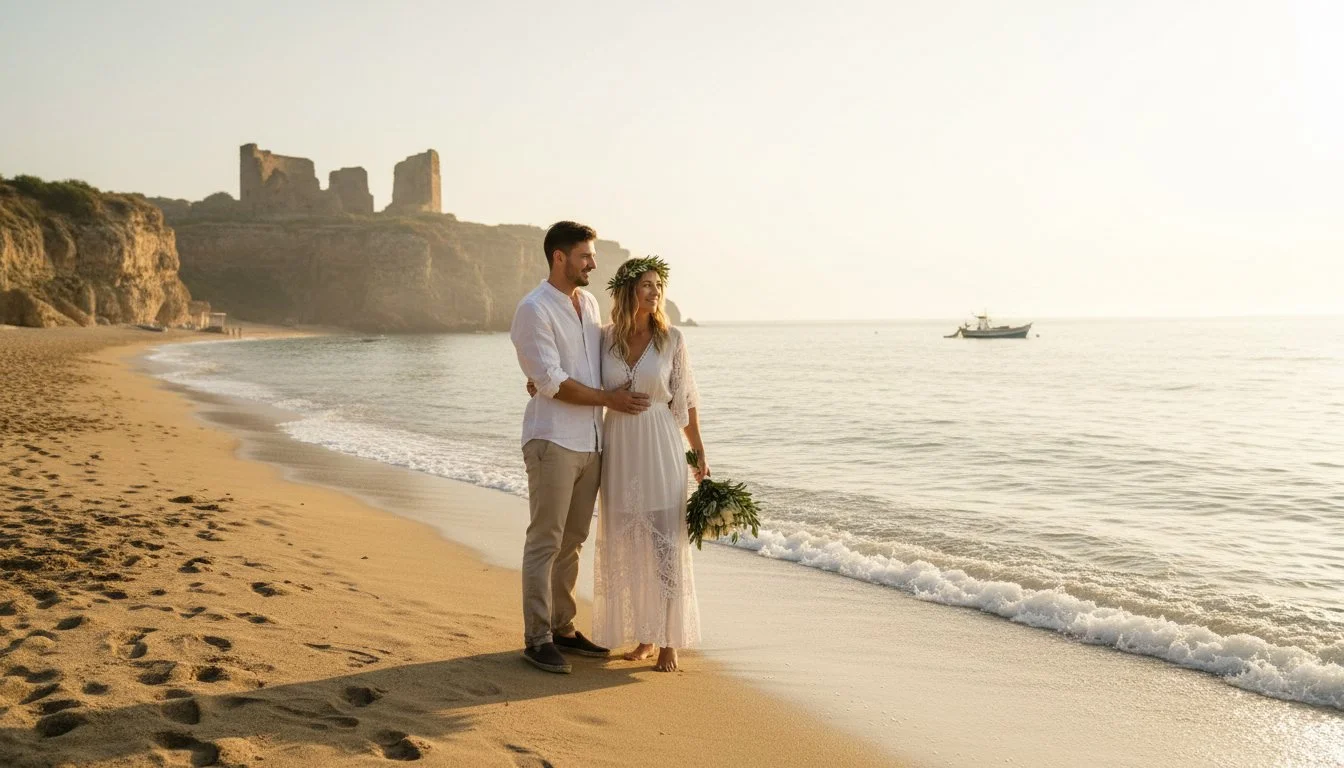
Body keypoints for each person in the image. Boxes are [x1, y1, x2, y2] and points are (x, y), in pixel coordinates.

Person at [509, 221, 650, 674]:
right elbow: (550, 380)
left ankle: (564, 627)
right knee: (545, 540)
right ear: (559, 257)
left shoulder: (588, 303)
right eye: (586, 255)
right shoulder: (533, 310)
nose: (593, 263)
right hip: (552, 440)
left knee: (573, 540)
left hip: (592, 441)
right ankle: (537, 638)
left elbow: (600, 357)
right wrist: (607, 399)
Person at [592, 257, 707, 672]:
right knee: (628, 540)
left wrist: (698, 452)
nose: (654, 291)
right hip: (620, 444)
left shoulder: (672, 338)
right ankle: (644, 634)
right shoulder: (603, 338)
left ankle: (669, 641)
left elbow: (686, 401)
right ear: (627, 291)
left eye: (658, 284)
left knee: (663, 543)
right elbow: (577, 376)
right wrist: (536, 381)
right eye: (645, 284)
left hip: (659, 443)